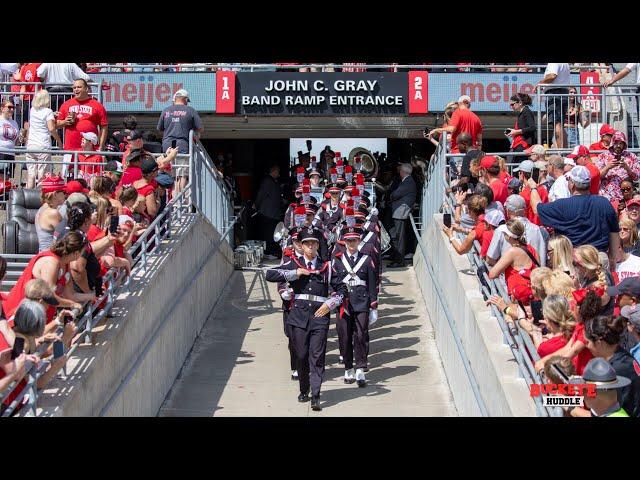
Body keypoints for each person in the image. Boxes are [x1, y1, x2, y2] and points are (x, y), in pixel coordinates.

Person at [265, 228, 347, 411]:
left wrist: (331, 303)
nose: (311, 247)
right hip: (298, 317)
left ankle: (316, 394)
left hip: (320, 316)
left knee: (317, 357)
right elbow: (270, 274)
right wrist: (296, 273)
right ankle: (304, 388)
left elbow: (342, 289)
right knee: (301, 355)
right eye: (307, 243)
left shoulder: (327, 267)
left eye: (314, 243)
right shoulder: (293, 263)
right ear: (301, 246)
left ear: (318, 245)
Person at [528, 166, 620, 262]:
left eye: (568, 180)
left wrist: (533, 188)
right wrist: (613, 258)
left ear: (572, 184)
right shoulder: (604, 203)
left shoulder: (562, 205)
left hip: (574, 260)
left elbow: (537, 209)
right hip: (598, 258)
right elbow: (614, 232)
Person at [2, 232, 93, 322]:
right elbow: (49, 296)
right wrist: (72, 304)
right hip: (20, 315)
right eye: (83, 252)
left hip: (37, 318)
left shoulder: (65, 263)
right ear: (76, 253)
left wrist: (92, 296)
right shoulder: (51, 262)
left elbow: (70, 295)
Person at [332, 226, 378, 387]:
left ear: (359, 241)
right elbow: (333, 284)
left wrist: (374, 306)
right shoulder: (337, 260)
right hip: (343, 304)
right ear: (344, 242)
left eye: (354, 240)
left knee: (361, 335)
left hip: (361, 302)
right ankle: (348, 367)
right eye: (348, 240)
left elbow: (372, 284)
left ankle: (360, 367)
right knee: (344, 336)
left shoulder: (367, 259)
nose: (351, 243)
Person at [584, 316, 640, 417]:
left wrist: (568, 405)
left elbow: (601, 412)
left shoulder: (613, 371)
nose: (587, 346)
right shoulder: (623, 356)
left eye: (588, 342)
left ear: (599, 342)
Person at [56, 79, 108, 178]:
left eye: (79, 87)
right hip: (70, 149)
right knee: (69, 176)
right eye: (74, 88)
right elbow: (56, 124)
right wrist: (65, 122)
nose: (76, 89)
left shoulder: (97, 105)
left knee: (90, 177)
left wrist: (101, 146)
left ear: (87, 89)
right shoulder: (66, 104)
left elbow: (104, 126)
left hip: (89, 150)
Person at [156, 89, 203, 194]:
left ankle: (173, 199)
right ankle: (179, 200)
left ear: (174, 99)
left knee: (171, 174)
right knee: (181, 175)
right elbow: (200, 129)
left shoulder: (166, 110)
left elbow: (159, 129)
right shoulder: (190, 110)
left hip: (167, 146)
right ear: (185, 99)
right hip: (182, 146)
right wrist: (194, 134)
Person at [486, 194, 548, 267]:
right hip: (536, 276)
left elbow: (490, 259)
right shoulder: (541, 231)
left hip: (511, 277)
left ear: (508, 211)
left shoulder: (502, 230)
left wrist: (502, 269)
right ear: (524, 210)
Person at [488, 219, 539, 305]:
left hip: (518, 298)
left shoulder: (512, 252)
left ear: (509, 237)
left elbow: (492, 274)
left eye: (504, 234)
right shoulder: (531, 249)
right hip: (532, 295)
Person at [24, 90, 62, 189]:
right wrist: (59, 141)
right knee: (42, 175)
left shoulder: (32, 110)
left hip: (31, 145)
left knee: (31, 174)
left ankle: (28, 198)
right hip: (43, 145)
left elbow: (40, 114)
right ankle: (39, 198)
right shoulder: (48, 112)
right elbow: (51, 128)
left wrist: (52, 114)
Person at [595, 131, 640, 202]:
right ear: (612, 143)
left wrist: (627, 168)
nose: (618, 145)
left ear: (624, 144)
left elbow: (636, 178)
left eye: (621, 143)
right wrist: (608, 167)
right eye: (616, 142)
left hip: (625, 197)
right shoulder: (603, 156)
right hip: (606, 197)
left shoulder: (631, 156)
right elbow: (597, 176)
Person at [388, 163, 417, 268]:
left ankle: (399, 261)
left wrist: (391, 195)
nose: (399, 172)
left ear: (403, 172)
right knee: (396, 236)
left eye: (400, 170)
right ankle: (397, 258)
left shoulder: (408, 182)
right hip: (399, 212)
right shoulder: (407, 181)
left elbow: (395, 194)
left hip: (401, 213)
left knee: (400, 238)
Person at [536, 63, 571, 148]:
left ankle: (560, 151)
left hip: (555, 94)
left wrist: (540, 83)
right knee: (560, 125)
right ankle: (564, 151)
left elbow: (552, 76)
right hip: (563, 93)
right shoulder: (565, 64)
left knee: (557, 124)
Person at [255, 165, 283, 259]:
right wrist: (256, 205)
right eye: (278, 172)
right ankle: (267, 252)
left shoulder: (274, 182)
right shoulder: (267, 181)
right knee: (268, 233)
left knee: (272, 232)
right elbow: (261, 194)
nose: (279, 175)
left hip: (273, 213)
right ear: (273, 171)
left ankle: (271, 251)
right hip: (267, 212)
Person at [35, 175, 67, 252]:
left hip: (44, 254)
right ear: (55, 194)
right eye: (63, 192)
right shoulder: (52, 213)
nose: (65, 195)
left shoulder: (42, 209)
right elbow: (66, 237)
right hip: (50, 256)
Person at [513, 160, 548, 225]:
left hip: (530, 227)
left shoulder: (524, 194)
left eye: (519, 172)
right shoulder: (543, 190)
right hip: (543, 227)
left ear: (522, 173)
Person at [506, 93, 536, 157]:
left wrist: (516, 131)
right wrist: (513, 131)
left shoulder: (526, 111)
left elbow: (532, 127)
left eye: (512, 104)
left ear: (520, 102)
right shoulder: (522, 113)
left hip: (523, 144)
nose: (511, 106)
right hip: (519, 144)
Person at [0, 100, 20, 179]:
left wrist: (22, 135)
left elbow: (17, 142)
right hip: (1, 152)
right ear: (2, 108)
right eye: (9, 107)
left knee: (6, 181)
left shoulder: (14, 122)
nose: (12, 109)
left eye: (13, 107)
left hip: (10, 153)